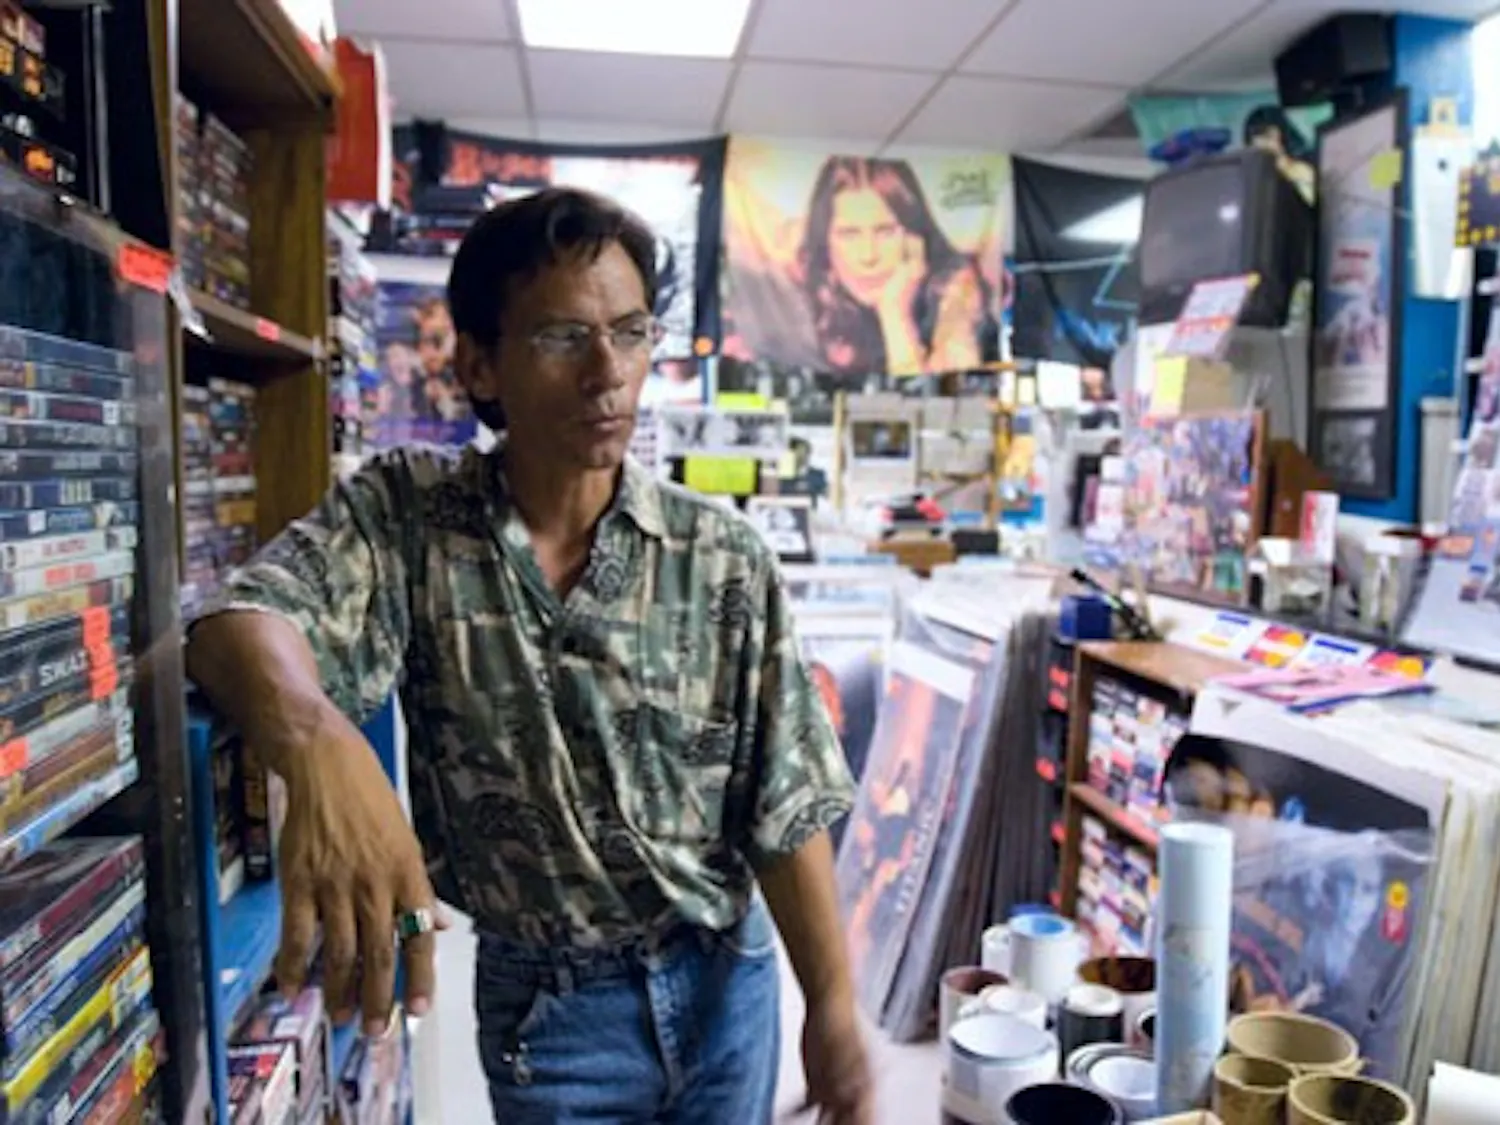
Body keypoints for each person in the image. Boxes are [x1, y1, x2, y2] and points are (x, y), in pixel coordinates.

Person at [185, 187, 873, 1125]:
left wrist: (830, 1006)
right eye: (562, 337)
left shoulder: (721, 558)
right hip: (546, 1013)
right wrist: (317, 741)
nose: (608, 372)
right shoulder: (411, 523)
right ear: (480, 364)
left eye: (631, 333)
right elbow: (235, 618)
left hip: (724, 981)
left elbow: (783, 798)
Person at [799, 156, 999, 375]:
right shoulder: (809, 288)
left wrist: (895, 314)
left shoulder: (955, 287)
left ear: (915, 238)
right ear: (825, 243)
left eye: (885, 232)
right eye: (849, 234)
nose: (868, 255)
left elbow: (948, 394)